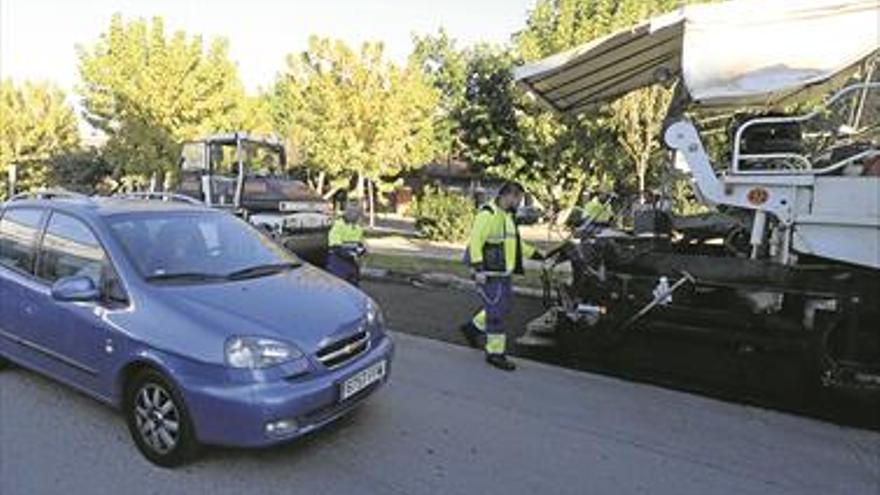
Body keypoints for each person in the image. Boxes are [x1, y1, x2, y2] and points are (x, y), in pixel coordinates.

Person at [458, 182, 543, 371]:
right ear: (508, 196)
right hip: (489, 273)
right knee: (497, 313)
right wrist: (478, 269)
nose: (519, 203)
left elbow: (514, 244)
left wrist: (537, 254)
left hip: (503, 272)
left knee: (502, 307)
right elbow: (476, 241)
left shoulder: (507, 216)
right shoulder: (488, 214)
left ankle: (472, 328)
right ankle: (495, 353)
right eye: (518, 199)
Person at [326, 201, 366, 286]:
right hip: (338, 263)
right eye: (356, 213)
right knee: (340, 288)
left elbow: (360, 244)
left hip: (352, 264)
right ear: (347, 212)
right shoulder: (338, 226)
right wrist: (352, 254)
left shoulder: (357, 228)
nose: (358, 216)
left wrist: (362, 250)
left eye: (359, 214)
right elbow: (335, 247)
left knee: (354, 288)